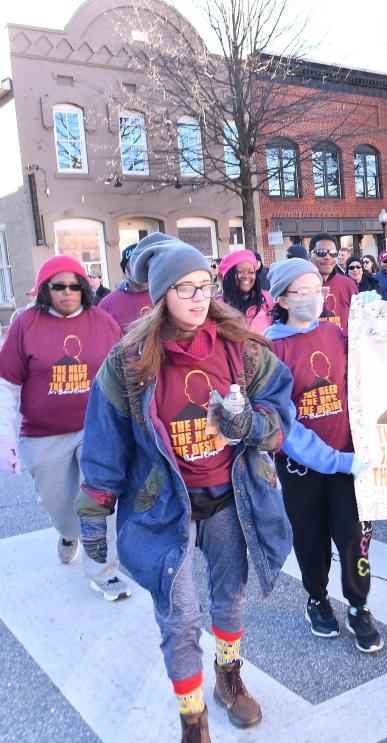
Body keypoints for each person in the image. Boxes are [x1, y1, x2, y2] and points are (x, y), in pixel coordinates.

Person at [76, 233, 340, 739]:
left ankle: (229, 676)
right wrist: (94, 510)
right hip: (163, 503)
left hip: (231, 496)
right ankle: (191, 715)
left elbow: (281, 411)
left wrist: (252, 426)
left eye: (206, 285)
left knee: (230, 597)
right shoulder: (128, 362)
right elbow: (104, 442)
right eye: (185, 289)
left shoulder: (240, 348)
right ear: (160, 297)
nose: (200, 299)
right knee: (179, 615)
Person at [264, 258, 382, 653]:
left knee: (354, 536)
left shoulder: (334, 335)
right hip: (304, 468)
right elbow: (285, 425)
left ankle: (358, 604)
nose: (315, 298)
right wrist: (336, 460)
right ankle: (316, 598)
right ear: (282, 298)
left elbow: (374, 362)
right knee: (310, 537)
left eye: (319, 290)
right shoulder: (271, 349)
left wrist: (377, 319)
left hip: (349, 458)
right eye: (303, 291)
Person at [0, 255, 130, 601]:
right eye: (59, 286)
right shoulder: (26, 325)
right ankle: (69, 533)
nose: (68, 292)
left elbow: (124, 376)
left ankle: (104, 572)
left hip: (97, 431)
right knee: (61, 507)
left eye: (75, 285)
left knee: (101, 503)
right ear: (45, 289)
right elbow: (7, 385)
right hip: (43, 435)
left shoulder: (102, 322)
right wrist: (5, 439)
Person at [309, 233, 358, 333]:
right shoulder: (300, 287)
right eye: (321, 252)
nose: (327, 257)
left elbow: (359, 322)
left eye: (333, 253)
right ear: (309, 256)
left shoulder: (348, 285)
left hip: (342, 346)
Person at [98, 243, 154, 331]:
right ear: (124, 269)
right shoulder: (107, 304)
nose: (139, 268)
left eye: (144, 262)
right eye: (133, 263)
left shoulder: (165, 296)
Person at [218, 250, 274, 334]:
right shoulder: (218, 305)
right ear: (229, 275)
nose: (246, 276)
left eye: (251, 272)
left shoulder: (267, 299)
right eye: (240, 272)